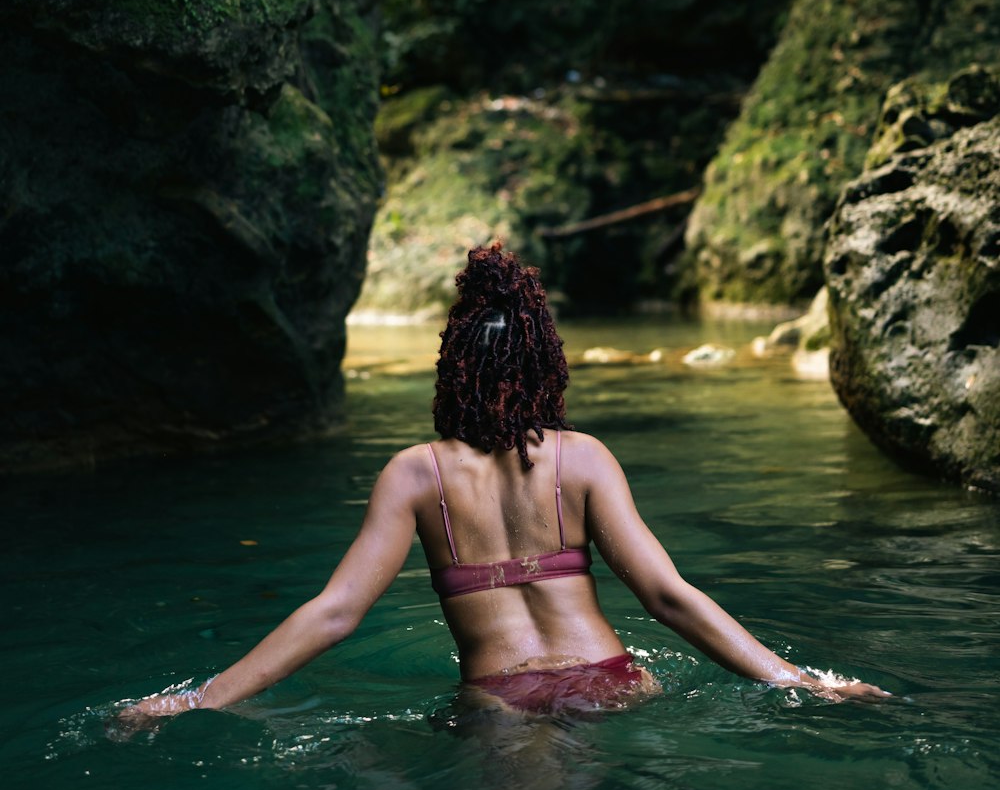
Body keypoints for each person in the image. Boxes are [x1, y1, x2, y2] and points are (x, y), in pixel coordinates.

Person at [120, 243, 887, 725]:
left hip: (505, 701)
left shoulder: (415, 474)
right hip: (621, 682)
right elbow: (669, 597)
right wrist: (803, 681)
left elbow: (333, 615)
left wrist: (194, 699)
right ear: (544, 361)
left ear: (452, 363)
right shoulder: (582, 459)